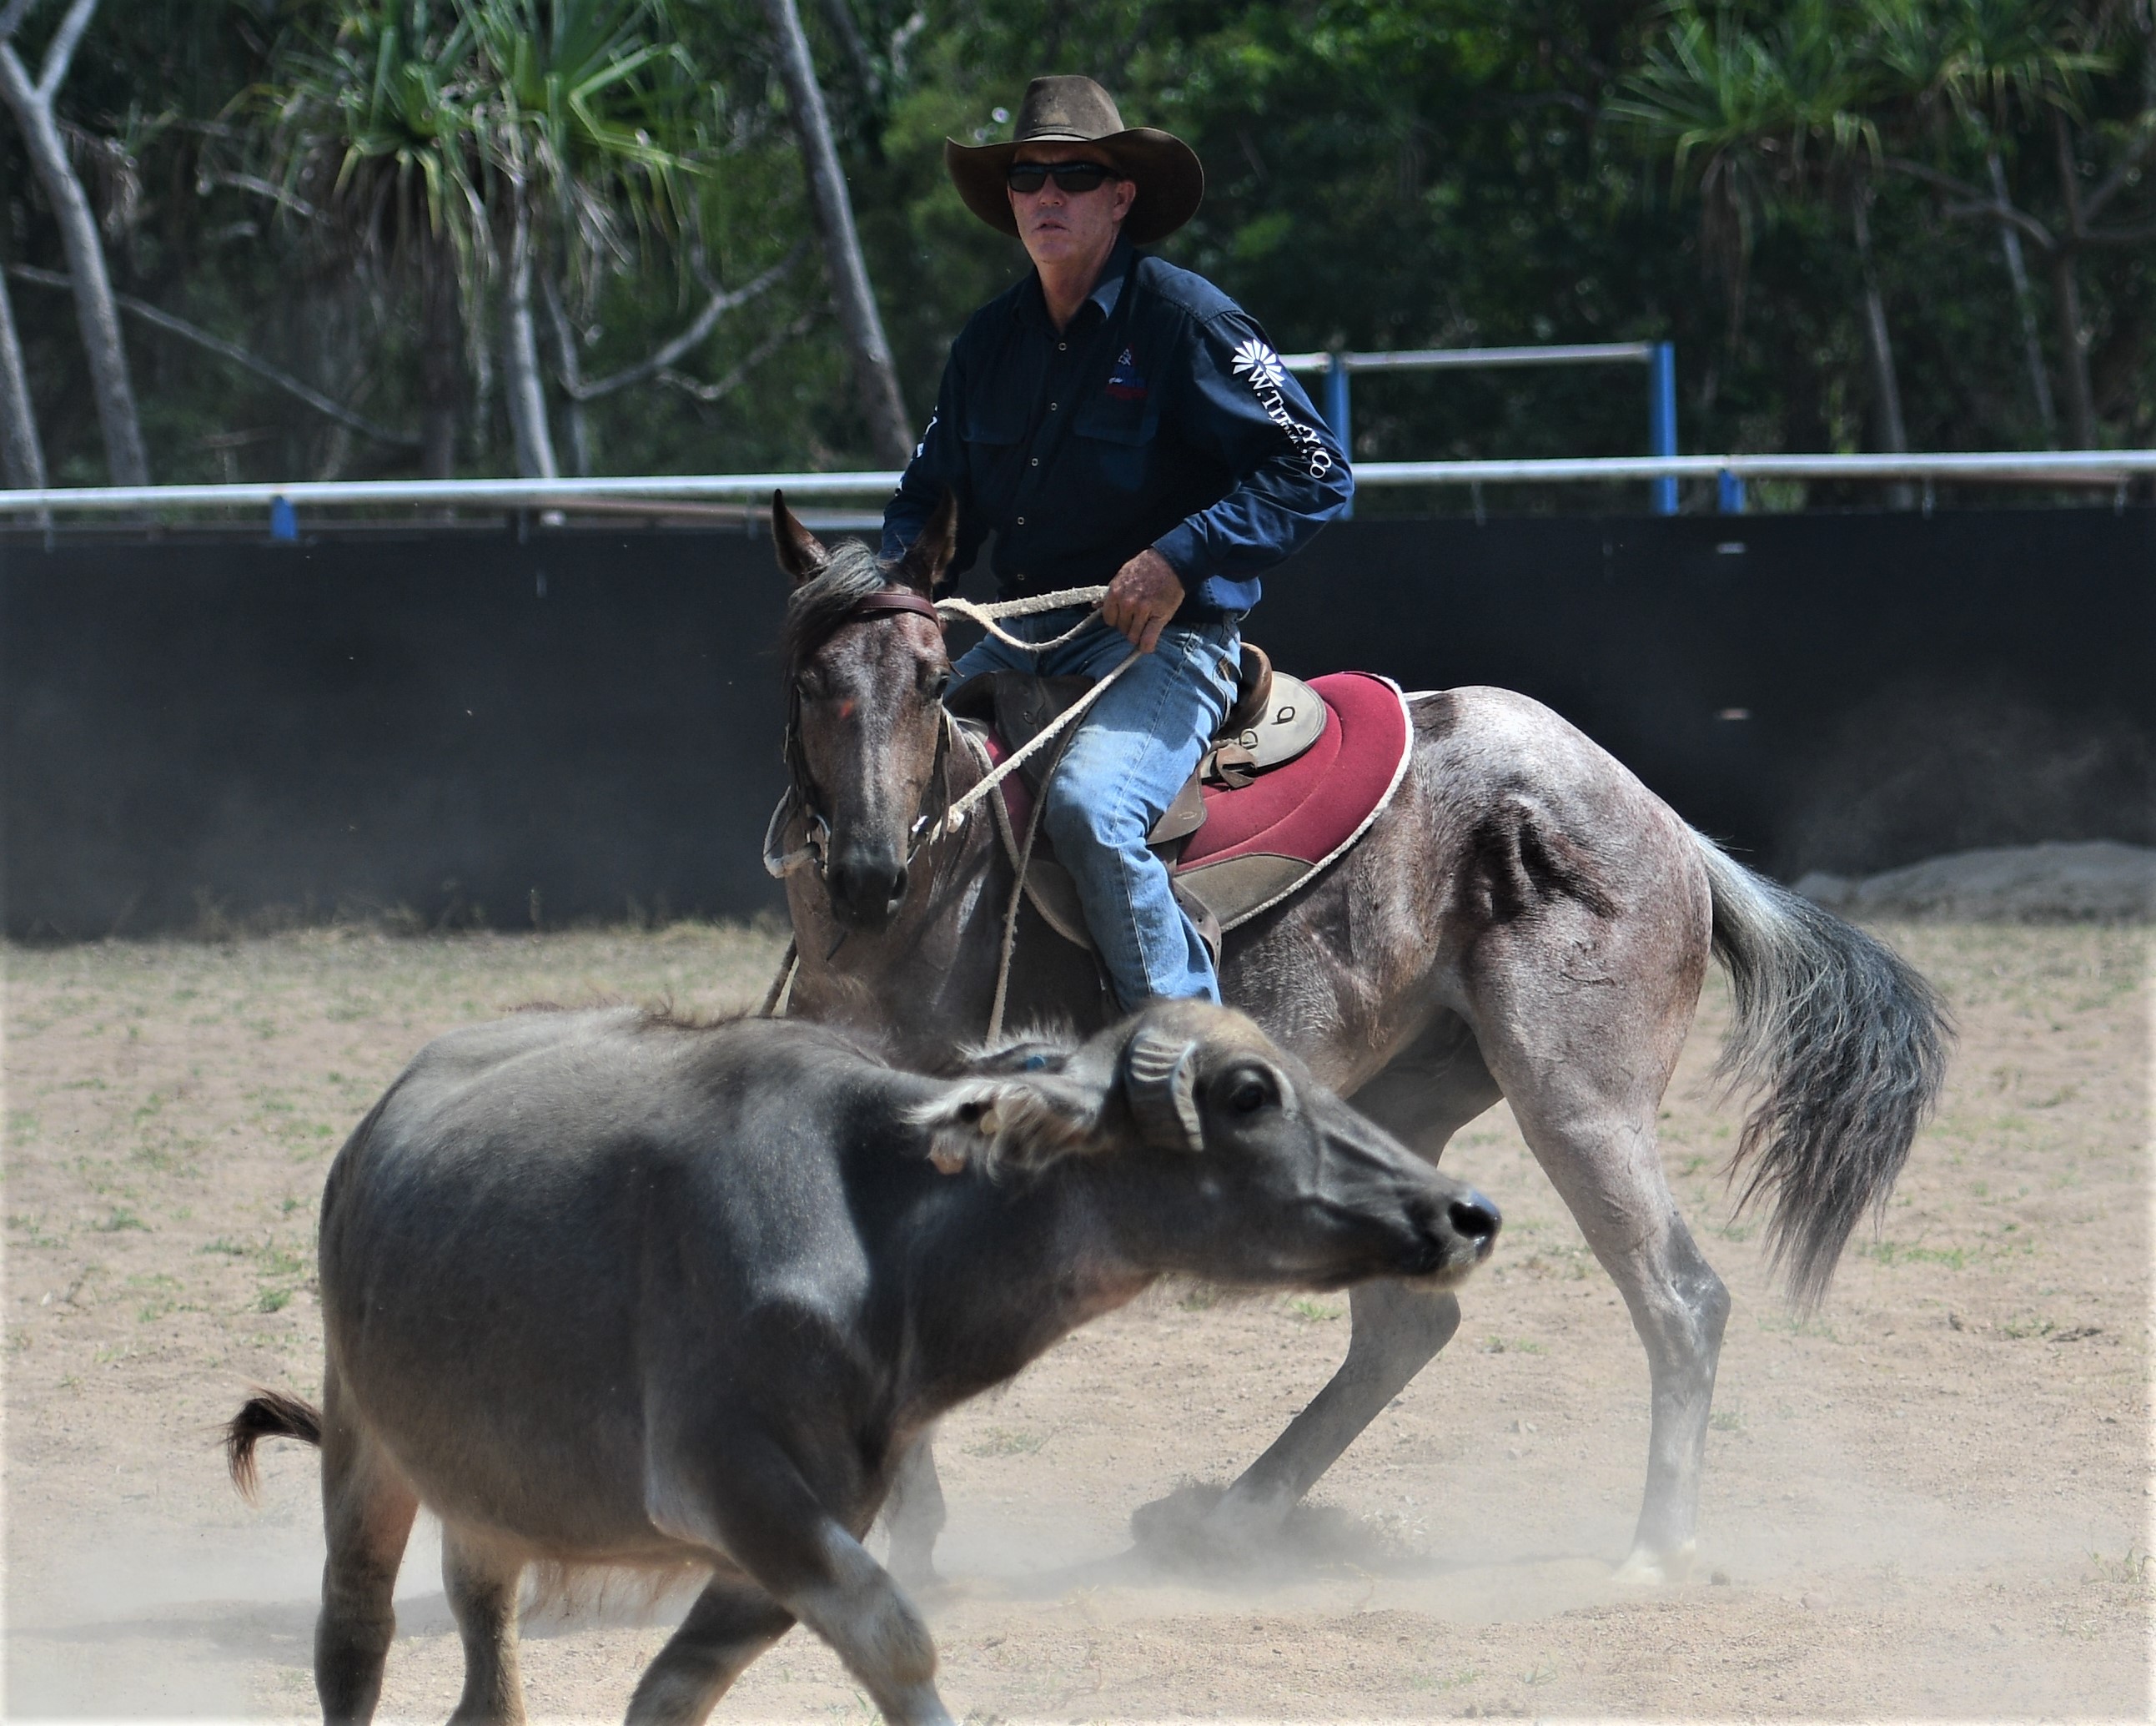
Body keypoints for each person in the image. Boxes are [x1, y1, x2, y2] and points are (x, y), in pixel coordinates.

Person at [882, 74, 1351, 1009]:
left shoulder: (1188, 322)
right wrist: (898, 599)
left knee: (1092, 811)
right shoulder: (985, 343)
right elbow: (931, 497)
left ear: (1121, 196)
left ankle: (1188, 1045)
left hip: (1166, 645)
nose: (1047, 195)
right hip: (1022, 638)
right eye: (1027, 177)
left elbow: (1317, 467)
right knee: (883, 777)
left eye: (1075, 174)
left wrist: (1179, 556)